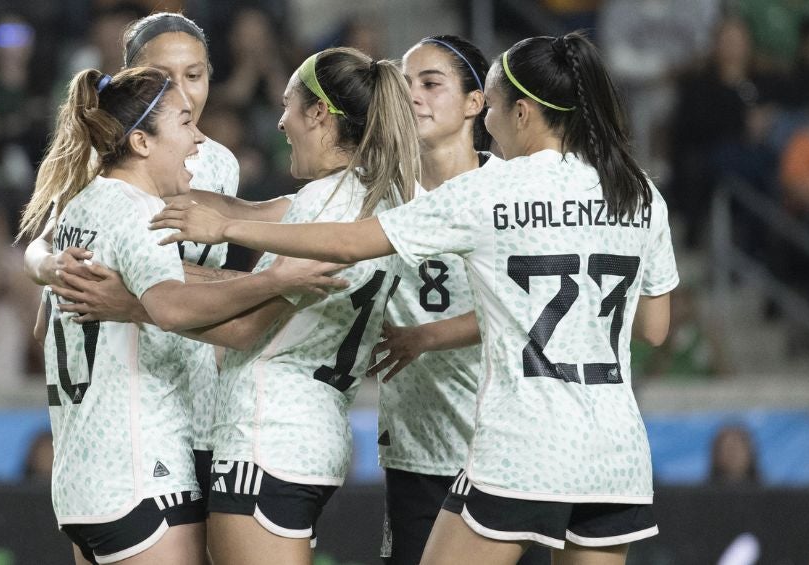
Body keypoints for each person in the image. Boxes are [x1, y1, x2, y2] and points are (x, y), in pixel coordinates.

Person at [152, 32, 677, 565]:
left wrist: (224, 230)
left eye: (492, 109)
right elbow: (654, 326)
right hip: (617, 455)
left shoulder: (491, 191)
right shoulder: (637, 190)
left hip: (523, 445)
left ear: (521, 113)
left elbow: (345, 241)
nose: (488, 128)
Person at [56, 46, 419, 565]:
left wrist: (136, 301)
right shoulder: (374, 200)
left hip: (265, 435)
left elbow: (246, 324)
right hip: (314, 435)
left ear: (319, 114)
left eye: (289, 106)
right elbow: (246, 231)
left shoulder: (315, 205)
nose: (279, 122)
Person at [17, 66, 346, 565]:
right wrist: (274, 280)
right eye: (186, 123)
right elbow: (171, 307)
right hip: (143, 475)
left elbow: (44, 327)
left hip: (82, 481)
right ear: (142, 142)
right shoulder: (139, 213)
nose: (198, 141)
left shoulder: (76, 211)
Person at [369, 34, 499, 565]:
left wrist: (426, 336)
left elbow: (528, 306)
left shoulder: (510, 193)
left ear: (475, 103)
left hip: (504, 451)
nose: (413, 96)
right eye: (405, 85)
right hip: (416, 452)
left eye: (430, 83)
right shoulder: (378, 190)